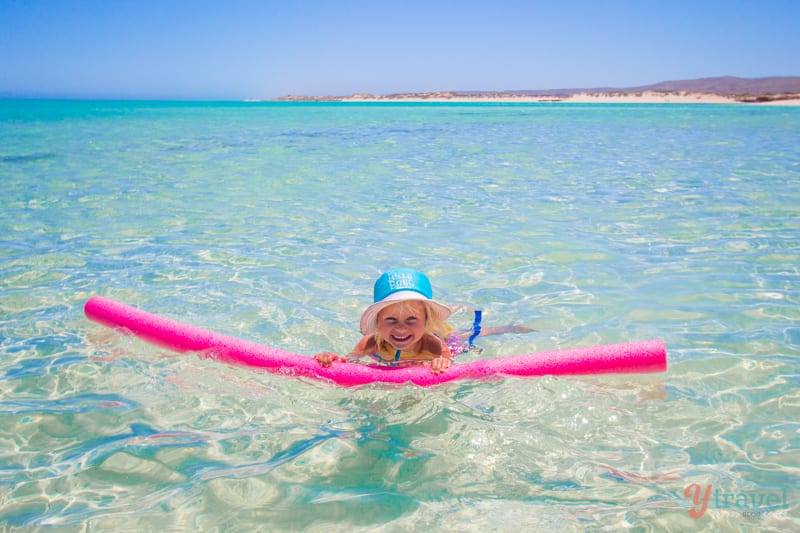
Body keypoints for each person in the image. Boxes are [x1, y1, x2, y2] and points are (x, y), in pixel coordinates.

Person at [314, 268, 533, 374]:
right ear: (378, 322)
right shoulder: (369, 343)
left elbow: (448, 363)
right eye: (391, 320)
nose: (401, 328)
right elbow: (348, 363)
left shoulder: (432, 344)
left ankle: (507, 328)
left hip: (445, 340)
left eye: (411, 319)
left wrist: (442, 362)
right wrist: (332, 359)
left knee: (462, 337)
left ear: (427, 322)